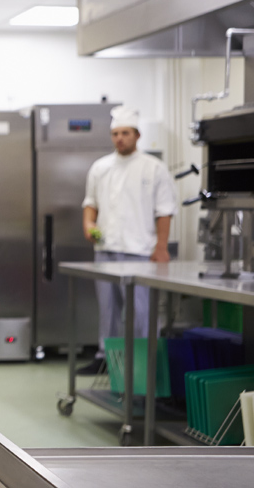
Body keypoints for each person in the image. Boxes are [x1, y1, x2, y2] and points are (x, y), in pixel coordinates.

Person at [78, 105, 177, 375]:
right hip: (106, 251)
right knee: (108, 311)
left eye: (125, 133)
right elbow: (91, 203)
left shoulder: (154, 169)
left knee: (142, 314)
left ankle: (145, 363)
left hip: (140, 253)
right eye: (115, 133)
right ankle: (104, 359)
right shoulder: (100, 168)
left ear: (137, 135)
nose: (120, 138)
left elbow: (165, 211)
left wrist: (161, 248)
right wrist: (89, 224)